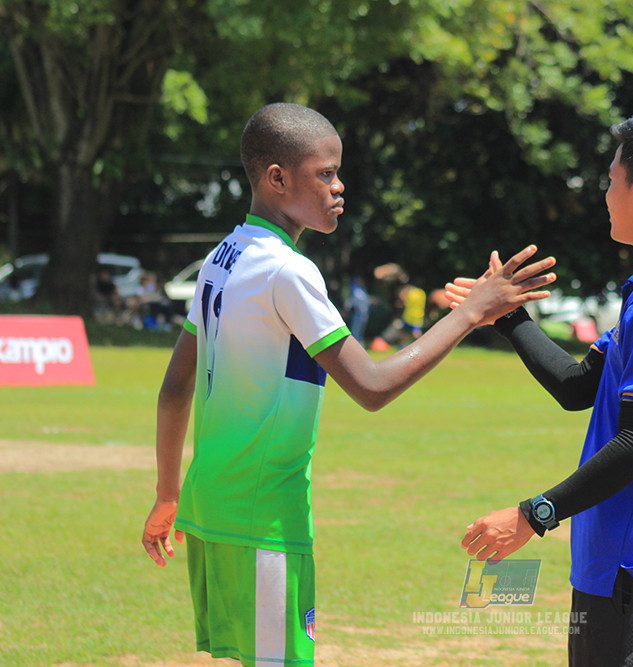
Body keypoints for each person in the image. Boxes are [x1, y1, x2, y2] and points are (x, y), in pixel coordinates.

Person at [140, 102, 557, 667]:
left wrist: (168, 494)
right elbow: (372, 385)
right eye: (326, 173)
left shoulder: (221, 258)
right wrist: (470, 313)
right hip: (263, 517)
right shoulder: (287, 270)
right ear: (278, 178)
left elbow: (173, 388)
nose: (340, 187)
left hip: (208, 508)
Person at [451, 109, 633, 666]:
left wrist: (533, 515)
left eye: (612, 179)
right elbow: (579, 387)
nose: (606, 193)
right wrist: (510, 317)